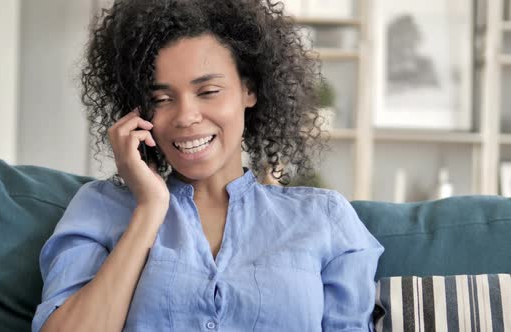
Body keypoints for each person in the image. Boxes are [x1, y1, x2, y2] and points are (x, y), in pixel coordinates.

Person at [32, 0, 384, 331]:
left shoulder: (324, 218)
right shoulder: (101, 208)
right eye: (161, 99)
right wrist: (150, 209)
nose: (185, 117)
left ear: (249, 90)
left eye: (208, 91)